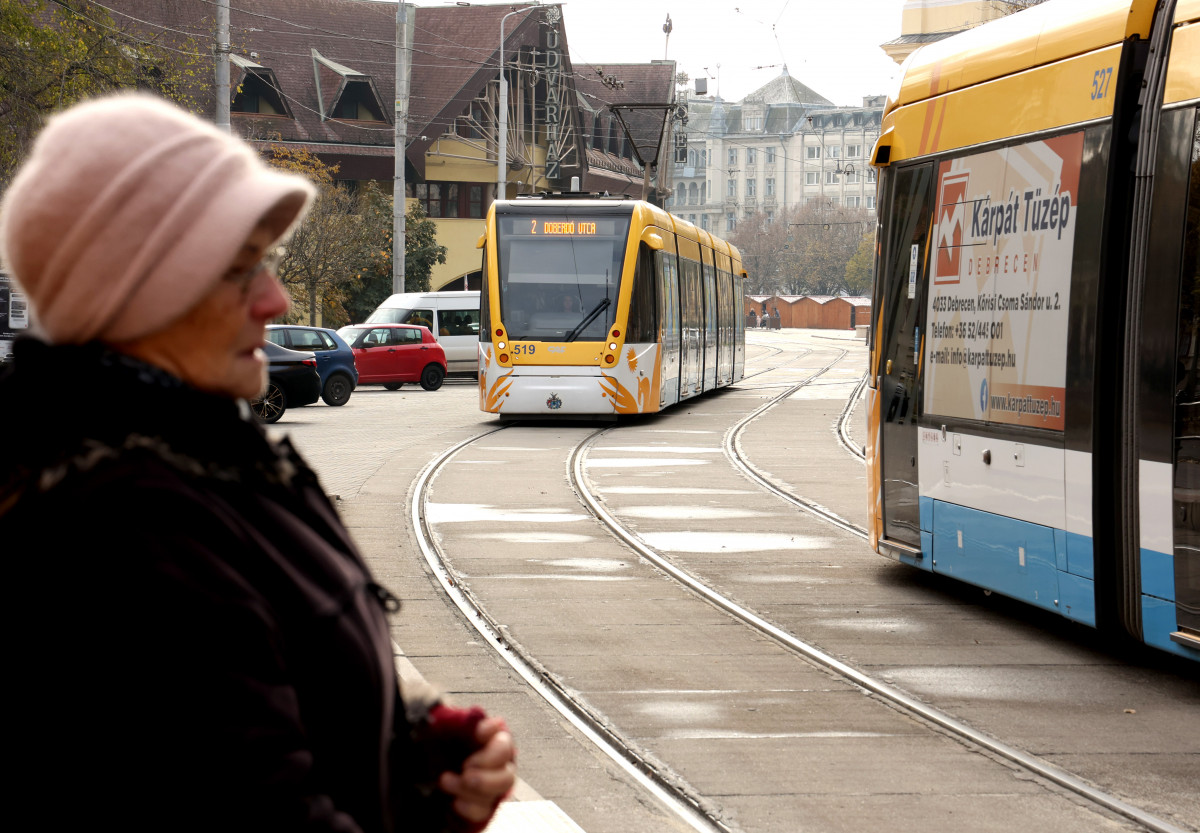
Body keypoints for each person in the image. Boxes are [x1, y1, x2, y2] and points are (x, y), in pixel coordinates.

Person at [0, 93, 515, 833]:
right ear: (139, 291)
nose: (274, 300)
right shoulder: (132, 523)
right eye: (241, 271)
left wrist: (413, 749)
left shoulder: (195, 453)